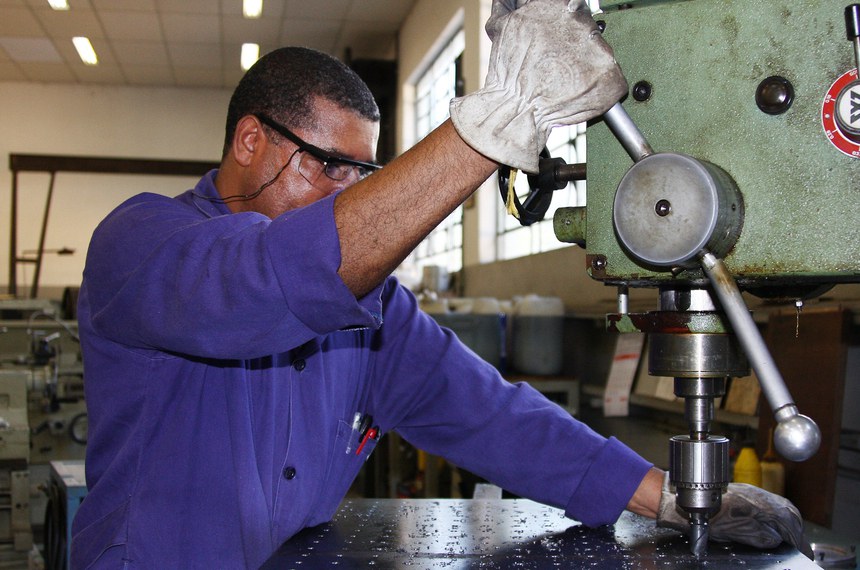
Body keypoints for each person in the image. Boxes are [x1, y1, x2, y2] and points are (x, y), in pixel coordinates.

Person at [71, 1, 808, 568]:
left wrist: (666, 497)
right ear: (249, 139)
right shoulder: (140, 244)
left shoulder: (371, 314)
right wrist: (498, 121)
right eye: (327, 165)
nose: (346, 193)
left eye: (363, 173)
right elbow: (266, 281)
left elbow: (487, 413)